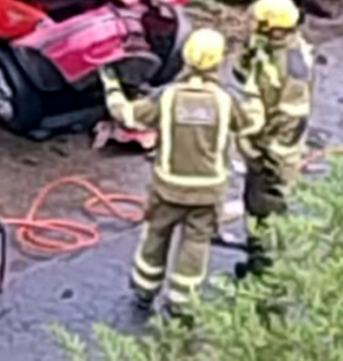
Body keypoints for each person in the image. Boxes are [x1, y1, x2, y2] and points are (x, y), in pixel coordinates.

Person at [99, 28, 246, 319]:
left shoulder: (167, 98)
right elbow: (250, 124)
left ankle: (144, 292)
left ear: (186, 58)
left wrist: (111, 84)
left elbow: (127, 115)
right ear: (218, 62)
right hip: (207, 193)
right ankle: (181, 304)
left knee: (155, 236)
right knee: (196, 245)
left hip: (167, 190)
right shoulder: (225, 100)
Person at [230, 0, 316, 280]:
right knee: (255, 205)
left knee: (269, 208)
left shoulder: (293, 65)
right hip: (260, 143)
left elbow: (292, 119)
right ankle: (257, 259)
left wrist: (272, 158)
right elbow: (243, 74)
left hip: (275, 153)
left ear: (275, 28)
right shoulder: (268, 49)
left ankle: (269, 274)